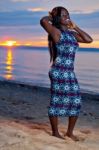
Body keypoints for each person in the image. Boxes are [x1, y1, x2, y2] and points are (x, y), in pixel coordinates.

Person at [40, 6, 93, 141]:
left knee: (76, 101)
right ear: (58, 18)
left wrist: (75, 27)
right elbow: (43, 21)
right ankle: (55, 132)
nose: (67, 17)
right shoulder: (55, 32)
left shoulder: (71, 34)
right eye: (63, 15)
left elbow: (88, 39)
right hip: (58, 72)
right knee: (56, 101)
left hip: (69, 72)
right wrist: (53, 17)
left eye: (68, 14)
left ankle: (69, 132)